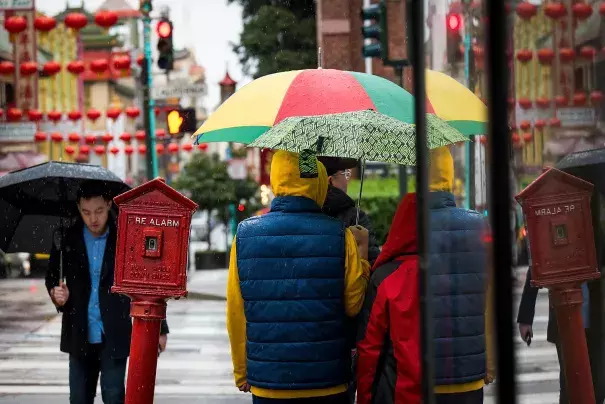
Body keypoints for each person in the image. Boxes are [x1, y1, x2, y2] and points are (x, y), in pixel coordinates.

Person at [226, 150, 371, 403]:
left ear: (276, 180)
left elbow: (237, 312)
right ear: (319, 181)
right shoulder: (340, 234)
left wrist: (242, 371)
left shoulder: (246, 235)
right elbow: (353, 305)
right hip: (327, 380)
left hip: (270, 381)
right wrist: (363, 259)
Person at [356, 146, 495, 404]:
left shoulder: (408, 232)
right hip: (467, 378)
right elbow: (490, 302)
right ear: (450, 177)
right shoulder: (478, 226)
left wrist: (365, 397)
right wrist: (488, 362)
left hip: (416, 384)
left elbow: (371, 346)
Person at [45, 181, 169, 404]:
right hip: (79, 330)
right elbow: (52, 277)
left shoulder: (126, 235)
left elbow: (146, 281)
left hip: (114, 328)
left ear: (109, 204)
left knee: (114, 396)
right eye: (86, 212)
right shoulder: (65, 238)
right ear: (78, 208)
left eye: (99, 211)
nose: (93, 219)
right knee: (79, 398)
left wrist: (161, 328)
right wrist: (57, 294)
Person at [517, 268, 604, 403]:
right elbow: (537, 265)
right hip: (564, 315)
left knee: (598, 384)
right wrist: (525, 316)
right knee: (569, 383)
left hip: (598, 317)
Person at [318, 157, 380, 265]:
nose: (348, 181)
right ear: (330, 181)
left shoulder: (302, 213)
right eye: (345, 174)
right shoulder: (355, 218)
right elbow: (373, 264)